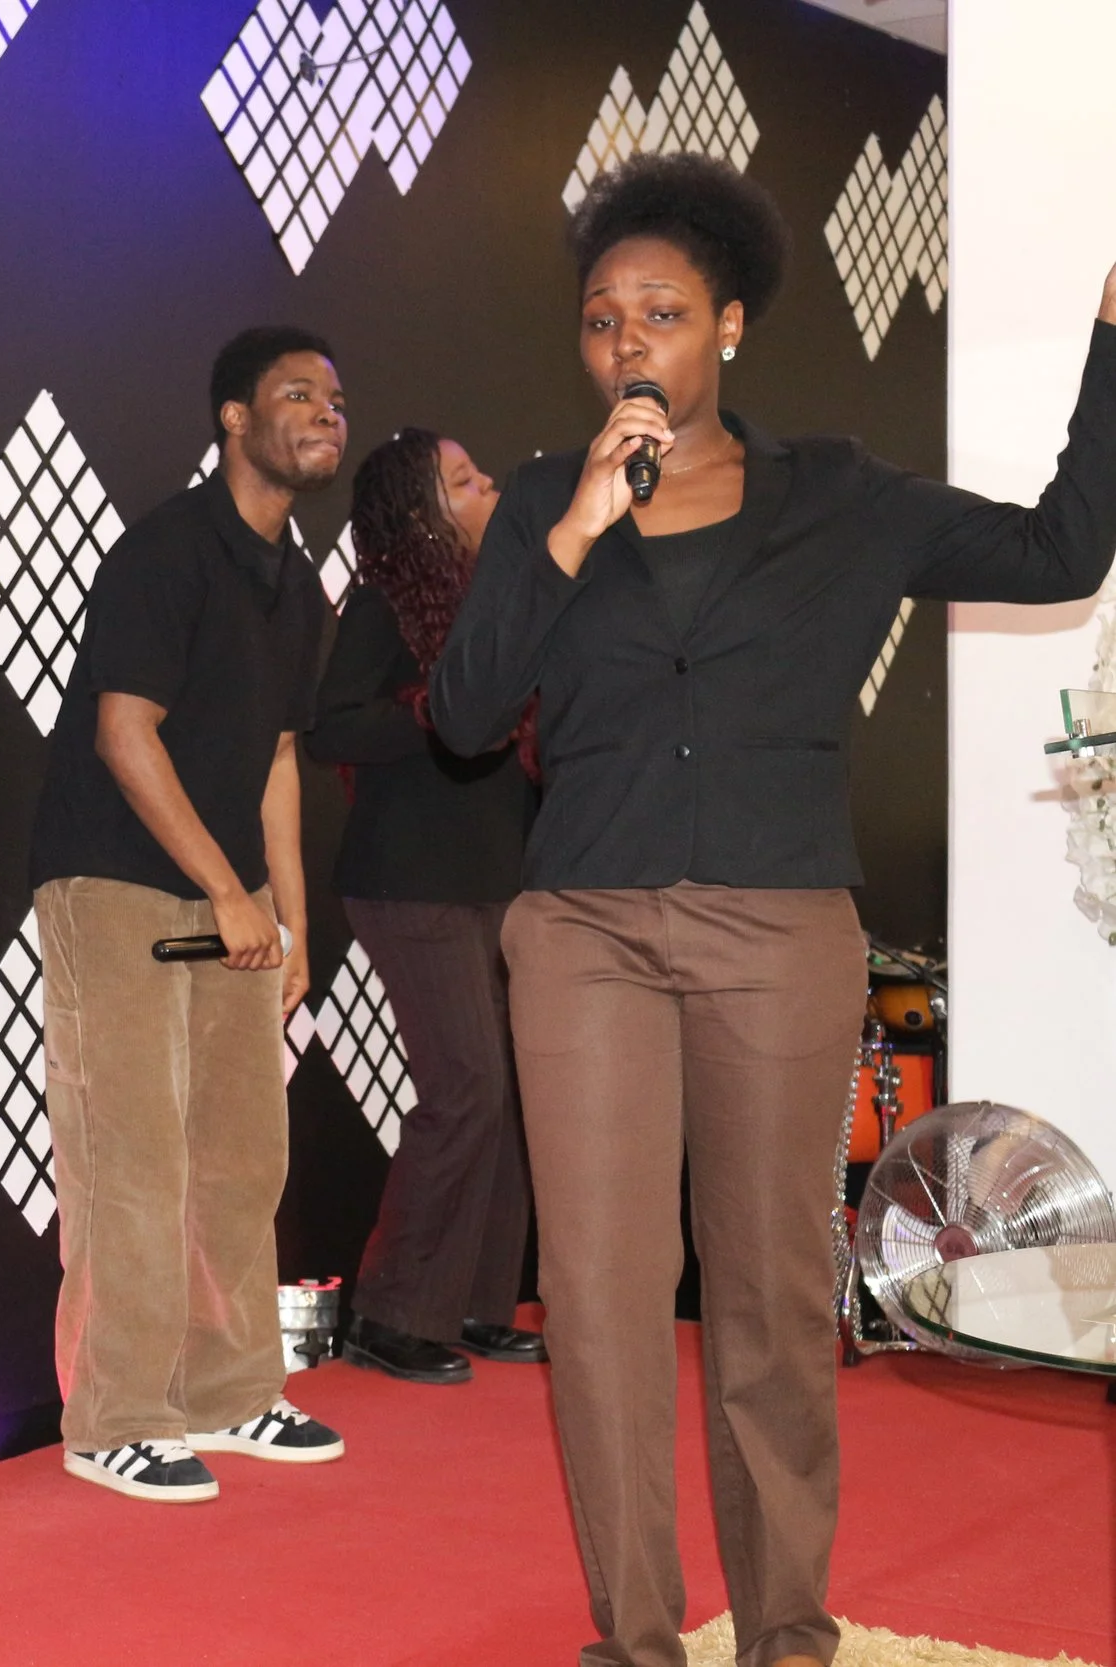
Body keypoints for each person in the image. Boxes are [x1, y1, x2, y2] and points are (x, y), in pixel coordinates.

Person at [433, 152, 1116, 1667]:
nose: (627, 340)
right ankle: (634, 1637)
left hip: (776, 930)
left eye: (661, 312)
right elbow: (465, 717)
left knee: (769, 1293)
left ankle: (786, 1636)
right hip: (585, 932)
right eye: (603, 318)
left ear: (729, 325)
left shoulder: (841, 496)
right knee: (600, 1300)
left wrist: (1112, 348)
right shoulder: (546, 497)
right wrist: (572, 530)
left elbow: (1057, 549)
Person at [25, 325, 349, 1506]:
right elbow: (124, 735)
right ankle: (115, 1414)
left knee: (239, 1154)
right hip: (111, 877)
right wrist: (223, 891)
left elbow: (276, 759)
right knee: (131, 1153)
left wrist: (286, 918)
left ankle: (228, 1388)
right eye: (295, 394)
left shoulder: (296, 582)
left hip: (230, 895)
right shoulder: (166, 547)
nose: (325, 411)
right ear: (232, 418)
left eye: (334, 397)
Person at [308, 428, 544, 1387]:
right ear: (419, 513)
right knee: (468, 1085)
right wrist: (428, 712)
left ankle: (478, 1303)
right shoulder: (385, 602)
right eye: (464, 478)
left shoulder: (505, 598)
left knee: (512, 1093)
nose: (489, 485)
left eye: (482, 472)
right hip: (410, 880)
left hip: (497, 876)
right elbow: (330, 727)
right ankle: (389, 1311)